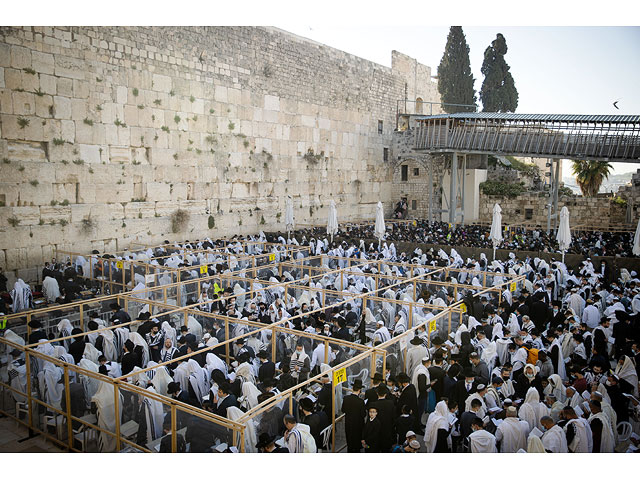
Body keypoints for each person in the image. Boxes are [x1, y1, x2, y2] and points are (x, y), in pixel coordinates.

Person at [341, 379, 366, 452]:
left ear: (352, 388)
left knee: (350, 442)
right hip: (358, 425)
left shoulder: (346, 398)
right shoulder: (361, 402)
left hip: (348, 423)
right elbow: (363, 414)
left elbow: (343, 410)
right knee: (356, 444)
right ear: (360, 390)